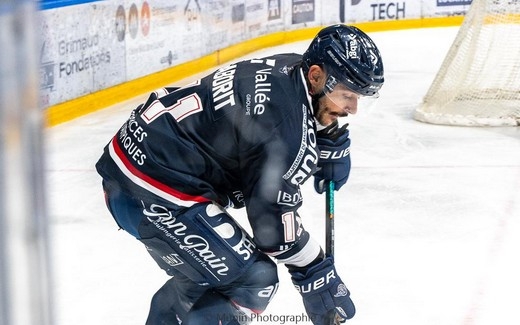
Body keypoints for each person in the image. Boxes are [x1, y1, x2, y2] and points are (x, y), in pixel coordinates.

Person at [95, 24, 384, 325]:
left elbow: (286, 118)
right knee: (251, 280)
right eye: (347, 95)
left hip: (136, 166)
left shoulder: (290, 67)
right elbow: (273, 229)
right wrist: (314, 270)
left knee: (207, 279)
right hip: (153, 188)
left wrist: (326, 137)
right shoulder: (284, 132)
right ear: (315, 76)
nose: (352, 109)